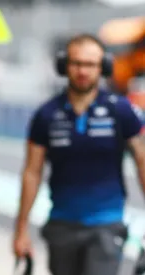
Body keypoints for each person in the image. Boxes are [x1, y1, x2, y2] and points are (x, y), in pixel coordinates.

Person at [13, 34, 145, 275]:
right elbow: (32, 172)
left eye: (90, 64)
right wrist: (21, 230)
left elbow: (143, 163)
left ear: (103, 67)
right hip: (61, 225)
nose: (83, 71)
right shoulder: (46, 115)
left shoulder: (121, 111)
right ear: (64, 65)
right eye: (76, 63)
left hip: (107, 225)